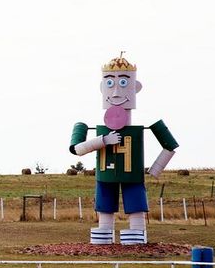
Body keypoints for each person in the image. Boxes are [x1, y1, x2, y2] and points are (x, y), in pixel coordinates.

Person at [69, 54, 177, 245]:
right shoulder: (93, 129)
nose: (117, 92)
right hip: (105, 176)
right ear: (102, 88)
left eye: (124, 83)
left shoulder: (140, 129)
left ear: (136, 87)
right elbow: (77, 149)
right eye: (110, 83)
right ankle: (104, 234)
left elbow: (170, 145)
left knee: (135, 205)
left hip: (132, 176)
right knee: (105, 206)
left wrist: (155, 169)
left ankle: (136, 234)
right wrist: (104, 140)